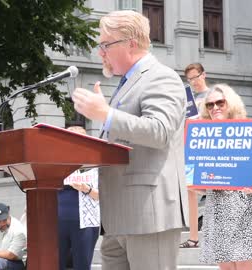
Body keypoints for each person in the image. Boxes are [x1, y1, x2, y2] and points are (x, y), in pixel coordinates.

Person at [72, 10, 188, 270]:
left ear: (130, 44)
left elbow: (159, 131)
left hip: (149, 214)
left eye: (105, 45)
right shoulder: (126, 84)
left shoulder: (161, 76)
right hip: (118, 215)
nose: (101, 52)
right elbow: (122, 142)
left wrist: (105, 114)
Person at [198, 84, 252, 270]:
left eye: (220, 102)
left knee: (245, 266)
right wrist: (192, 182)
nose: (215, 108)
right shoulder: (204, 140)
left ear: (231, 104)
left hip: (246, 207)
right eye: (209, 105)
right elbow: (202, 184)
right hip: (217, 209)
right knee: (226, 268)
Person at [58, 126, 100, 270]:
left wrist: (85, 188)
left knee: (82, 265)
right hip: (58, 222)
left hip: (85, 223)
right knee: (56, 264)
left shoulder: (95, 163)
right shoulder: (57, 162)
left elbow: (104, 195)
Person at [180, 63, 210, 248]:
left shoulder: (214, 95)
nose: (193, 82)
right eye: (189, 79)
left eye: (195, 77)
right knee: (190, 191)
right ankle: (193, 237)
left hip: (209, 148)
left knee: (215, 190)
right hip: (191, 147)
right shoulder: (186, 98)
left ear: (203, 75)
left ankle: (217, 233)